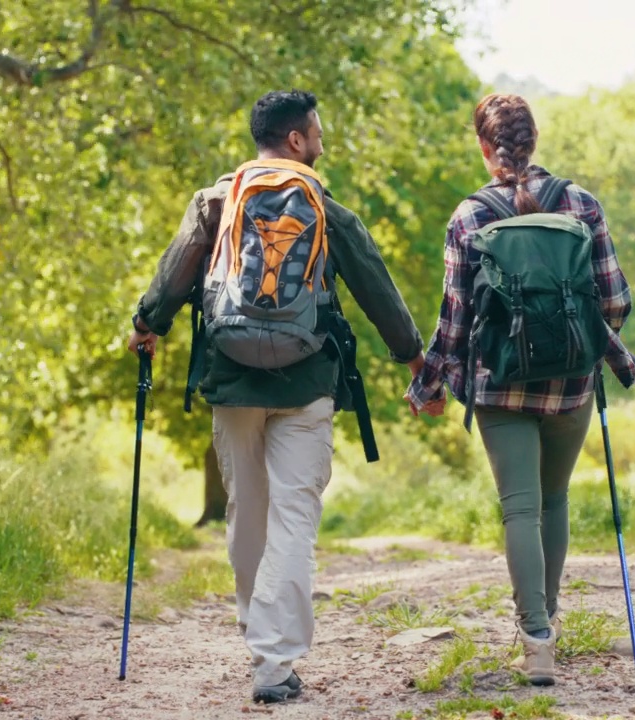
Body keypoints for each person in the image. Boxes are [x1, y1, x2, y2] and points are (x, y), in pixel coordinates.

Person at [126, 89, 428, 704]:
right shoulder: (326, 208)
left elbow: (174, 272)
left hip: (231, 380)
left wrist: (146, 325)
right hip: (307, 384)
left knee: (246, 513)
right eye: (316, 132)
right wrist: (415, 357)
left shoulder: (218, 200)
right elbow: (376, 287)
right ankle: (273, 658)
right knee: (295, 520)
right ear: (295, 139)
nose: (321, 140)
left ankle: (260, 641)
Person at [404, 92, 635, 686]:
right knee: (553, 500)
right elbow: (614, 301)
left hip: (499, 384)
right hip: (570, 385)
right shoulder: (581, 203)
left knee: (520, 506)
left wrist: (427, 385)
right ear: (533, 140)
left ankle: (534, 638)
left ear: (485, 149)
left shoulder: (469, 217)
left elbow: (454, 321)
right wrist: (579, 344)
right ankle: (549, 621)